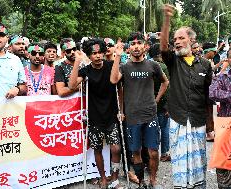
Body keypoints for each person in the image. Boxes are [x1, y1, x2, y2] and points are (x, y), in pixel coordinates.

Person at [160, 4, 212, 188]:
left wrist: (210, 125)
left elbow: (208, 96)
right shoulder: (173, 61)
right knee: (180, 162)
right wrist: (167, 20)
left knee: (198, 160)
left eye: (181, 38)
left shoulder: (205, 65)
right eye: (175, 39)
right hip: (178, 118)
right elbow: (164, 47)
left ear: (191, 40)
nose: (177, 41)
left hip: (198, 120)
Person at [110, 32, 169, 189]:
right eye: (133, 44)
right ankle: (141, 181)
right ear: (129, 48)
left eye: (139, 43)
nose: (136, 46)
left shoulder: (153, 65)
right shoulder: (125, 66)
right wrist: (117, 55)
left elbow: (165, 82)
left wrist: (156, 100)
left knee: (154, 152)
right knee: (136, 152)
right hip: (132, 117)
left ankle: (153, 181)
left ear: (145, 46)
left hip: (150, 115)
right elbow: (113, 80)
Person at [69, 38, 122, 189]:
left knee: (116, 148)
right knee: (97, 148)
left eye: (100, 52)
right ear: (89, 55)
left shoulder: (111, 65)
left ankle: (115, 176)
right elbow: (72, 85)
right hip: (94, 116)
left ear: (104, 52)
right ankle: (103, 177)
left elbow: (114, 81)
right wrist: (77, 62)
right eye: (94, 53)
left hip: (111, 114)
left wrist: (117, 56)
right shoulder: (86, 70)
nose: (98, 56)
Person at [209, 45, 231, 189]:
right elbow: (212, 93)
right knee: (224, 176)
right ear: (228, 60)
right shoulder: (222, 77)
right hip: (226, 133)